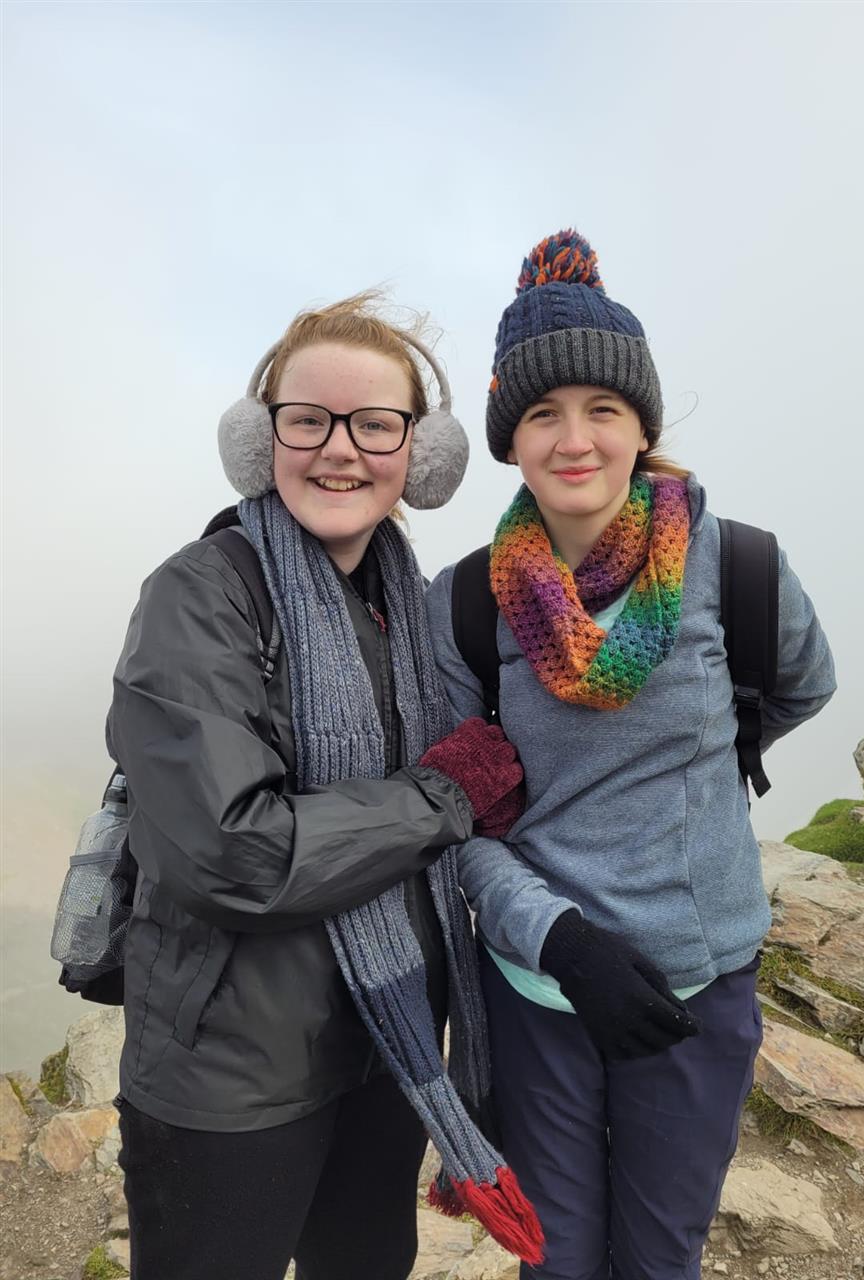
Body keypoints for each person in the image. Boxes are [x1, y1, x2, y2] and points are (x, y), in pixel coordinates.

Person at [106, 293, 543, 1280]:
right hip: (231, 1076)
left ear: (420, 453)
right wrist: (444, 796)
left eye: (375, 423)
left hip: (390, 1044)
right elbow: (233, 850)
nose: (340, 449)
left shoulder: (412, 609)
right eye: (307, 419)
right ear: (261, 438)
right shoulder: (200, 595)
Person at [425, 232, 837, 1280]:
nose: (575, 440)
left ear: (642, 425)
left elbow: (794, 689)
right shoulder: (465, 603)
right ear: (511, 440)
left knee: (661, 1258)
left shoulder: (737, 564)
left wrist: (691, 796)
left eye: (602, 408)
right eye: (542, 414)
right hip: (535, 988)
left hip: (699, 987)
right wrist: (560, 939)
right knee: (555, 1261)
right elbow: (451, 813)